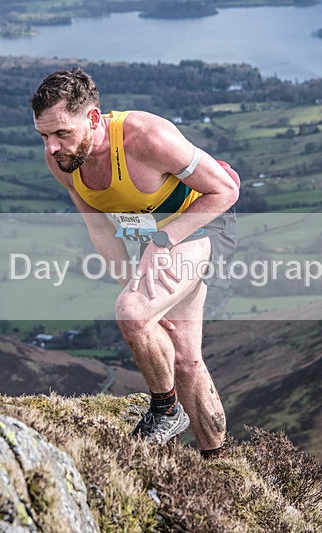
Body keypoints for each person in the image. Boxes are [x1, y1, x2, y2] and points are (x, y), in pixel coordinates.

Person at [30, 67, 239, 457]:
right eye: (43, 136)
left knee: (130, 311)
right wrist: (136, 284)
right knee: (185, 358)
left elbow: (226, 190)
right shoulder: (63, 162)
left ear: (93, 119)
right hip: (154, 245)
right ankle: (218, 459)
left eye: (62, 134)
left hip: (202, 227)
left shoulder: (145, 137)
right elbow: (101, 229)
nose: (52, 148)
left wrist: (163, 241)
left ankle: (166, 410)